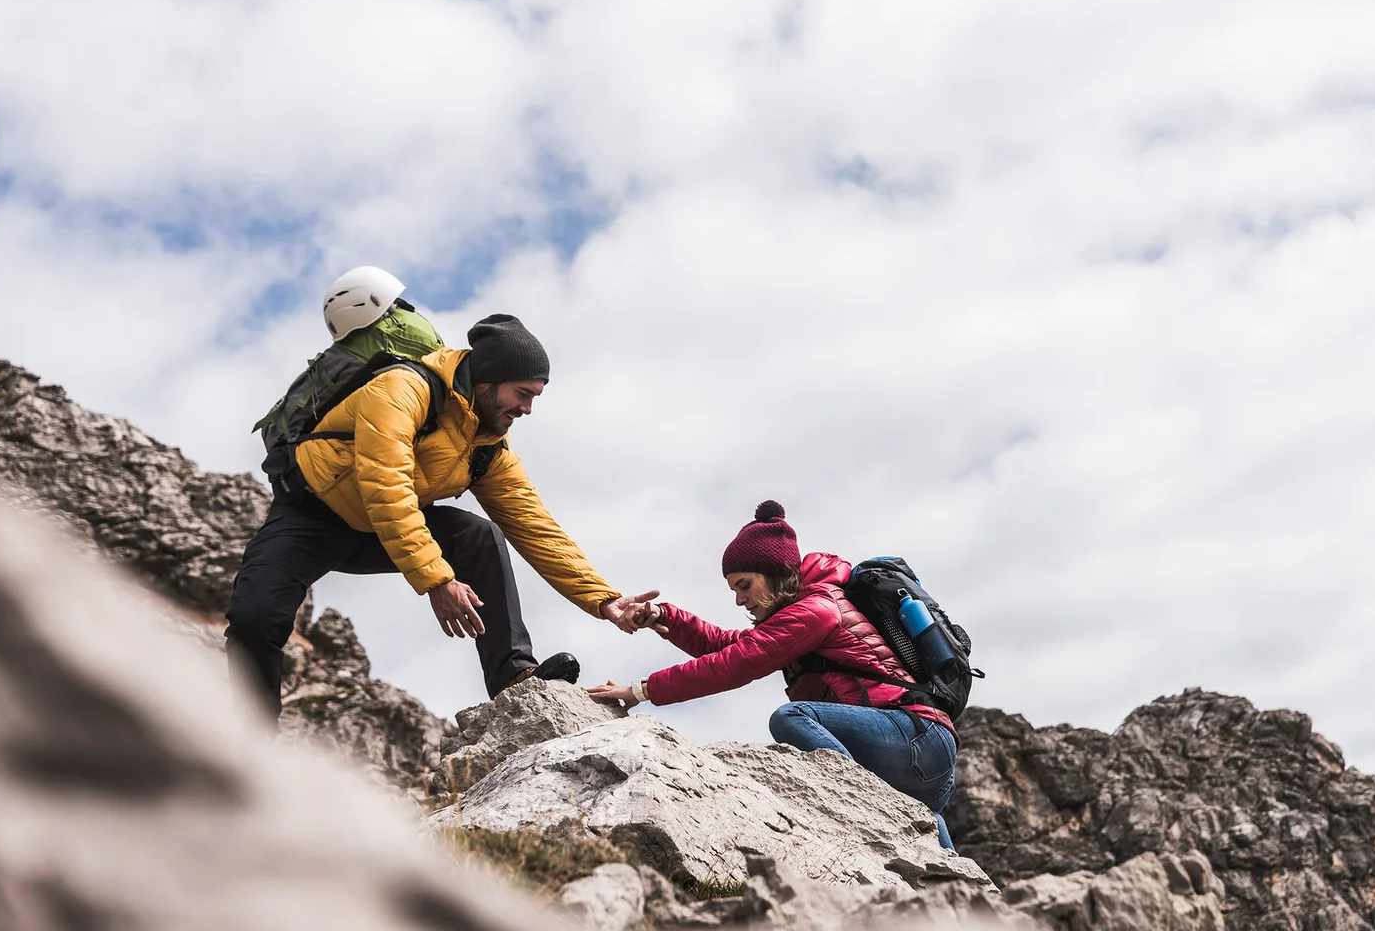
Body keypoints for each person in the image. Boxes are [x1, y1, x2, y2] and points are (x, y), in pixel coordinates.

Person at [226, 271, 656, 717]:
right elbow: (385, 482)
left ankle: (514, 675)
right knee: (255, 618)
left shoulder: (487, 446)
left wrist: (604, 600)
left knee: (479, 537)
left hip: (383, 529)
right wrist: (436, 579)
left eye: (535, 398)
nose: (527, 409)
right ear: (488, 379)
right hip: (311, 518)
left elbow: (536, 527)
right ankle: (252, 739)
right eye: (523, 394)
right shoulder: (402, 389)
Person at [587, 501, 958, 848]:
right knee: (931, 833)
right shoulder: (799, 614)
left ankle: (854, 807)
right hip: (921, 754)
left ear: (775, 572)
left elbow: (736, 663)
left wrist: (641, 690)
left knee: (792, 717)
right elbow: (727, 646)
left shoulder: (817, 610)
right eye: (733, 589)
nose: (738, 599)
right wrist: (666, 616)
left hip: (916, 737)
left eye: (744, 585)